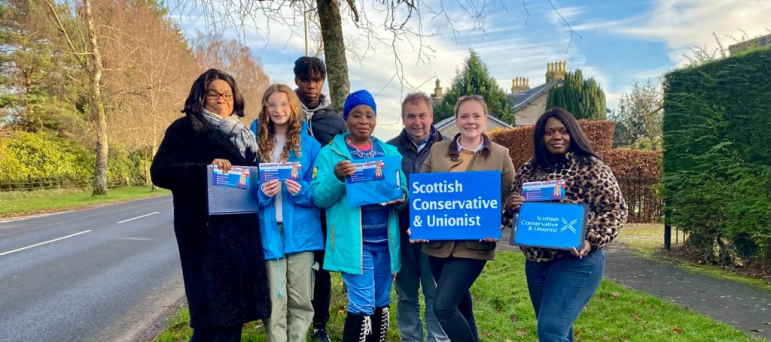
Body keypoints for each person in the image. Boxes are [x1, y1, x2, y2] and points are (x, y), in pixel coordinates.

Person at [151, 69, 270, 342]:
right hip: (205, 237)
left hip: (241, 236)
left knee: (232, 319)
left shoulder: (243, 135)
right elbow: (160, 171)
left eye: (227, 94)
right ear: (200, 96)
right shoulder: (185, 128)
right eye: (214, 93)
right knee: (210, 321)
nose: (221, 99)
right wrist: (206, 171)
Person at [504, 108, 628, 342]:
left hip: (576, 261)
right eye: (549, 132)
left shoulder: (592, 168)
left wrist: (591, 239)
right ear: (541, 137)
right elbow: (514, 218)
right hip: (536, 263)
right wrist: (510, 206)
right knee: (558, 330)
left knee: (550, 330)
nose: (556, 136)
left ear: (573, 133)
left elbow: (616, 210)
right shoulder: (528, 169)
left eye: (563, 131)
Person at [416, 95, 515, 342]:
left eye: (476, 116)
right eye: (464, 116)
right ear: (457, 120)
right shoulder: (437, 150)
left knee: (444, 307)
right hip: (438, 245)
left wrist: (499, 219)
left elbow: (510, 197)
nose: (470, 121)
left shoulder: (501, 155)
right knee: (460, 303)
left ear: (485, 119)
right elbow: (424, 192)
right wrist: (419, 223)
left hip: (475, 245)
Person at [311, 90, 407, 342]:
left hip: (386, 244)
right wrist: (337, 177)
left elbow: (403, 189)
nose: (363, 120)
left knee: (381, 300)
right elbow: (319, 197)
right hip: (354, 243)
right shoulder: (330, 153)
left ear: (375, 119)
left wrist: (402, 198)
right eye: (356, 114)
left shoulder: (390, 153)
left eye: (369, 114)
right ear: (346, 118)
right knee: (363, 302)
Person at [251, 84, 323, 342]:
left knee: (301, 299)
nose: (278, 110)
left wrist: (301, 190)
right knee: (274, 299)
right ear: (265, 108)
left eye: (284, 104)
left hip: (302, 233)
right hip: (268, 232)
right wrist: (262, 193)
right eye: (272, 104)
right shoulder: (254, 142)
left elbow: (320, 191)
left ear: (293, 108)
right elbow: (244, 188)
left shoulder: (311, 146)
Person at [386, 93, 449, 342]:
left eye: (422, 115)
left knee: (437, 297)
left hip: (437, 238)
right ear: (403, 118)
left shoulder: (449, 147)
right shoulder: (389, 150)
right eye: (411, 116)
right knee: (406, 296)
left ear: (431, 116)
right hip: (401, 237)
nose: (417, 121)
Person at [293, 56, 347, 342]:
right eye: (305, 79)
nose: (311, 85)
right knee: (295, 265)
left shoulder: (335, 120)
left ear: (322, 81)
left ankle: (320, 325)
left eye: (316, 79)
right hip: (293, 205)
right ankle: (293, 317)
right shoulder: (284, 112)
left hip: (325, 207)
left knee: (322, 267)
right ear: (297, 81)